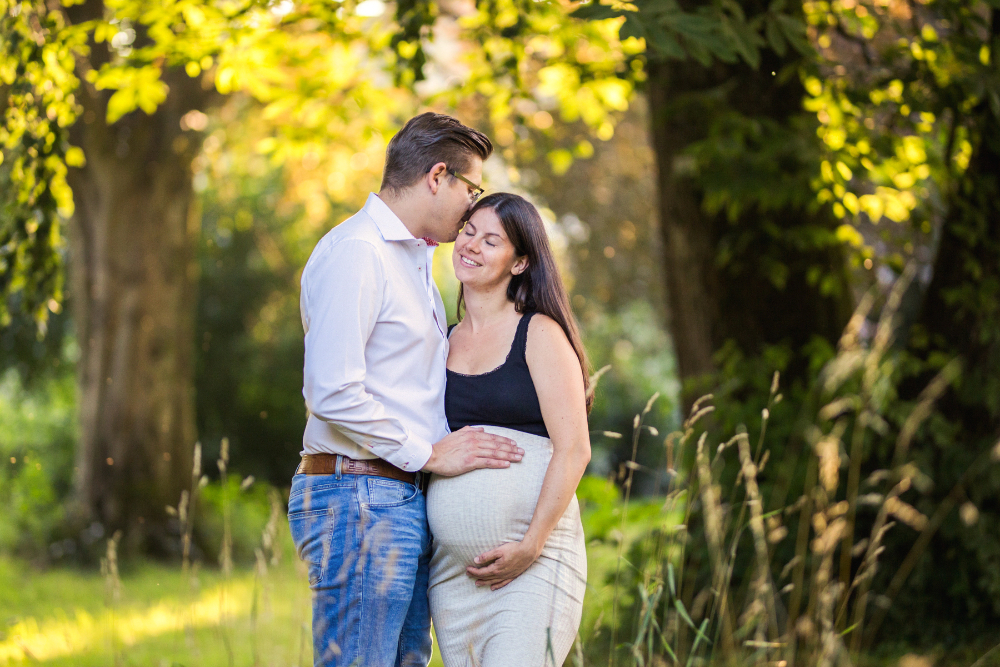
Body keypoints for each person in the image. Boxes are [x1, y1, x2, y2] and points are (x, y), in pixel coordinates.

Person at [288, 113, 525, 667]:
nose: (473, 206)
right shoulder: (359, 252)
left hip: (394, 495)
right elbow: (332, 390)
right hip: (358, 497)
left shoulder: (412, 257)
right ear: (438, 177)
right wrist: (428, 454)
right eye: (473, 190)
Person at [427, 192, 592, 667]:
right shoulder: (442, 339)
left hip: (533, 561)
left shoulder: (539, 332)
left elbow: (574, 449)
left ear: (520, 262)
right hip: (455, 575)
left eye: (491, 240)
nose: (471, 245)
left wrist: (531, 543)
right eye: (469, 232)